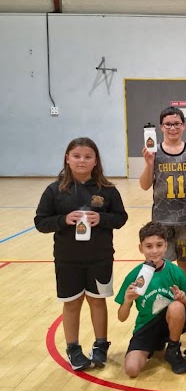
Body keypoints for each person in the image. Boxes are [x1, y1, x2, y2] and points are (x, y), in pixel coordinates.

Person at [35, 137, 128, 371]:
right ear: (67, 159)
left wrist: (102, 218)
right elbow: (40, 222)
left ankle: (101, 345)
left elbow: (121, 218)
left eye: (88, 157)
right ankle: (73, 348)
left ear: (96, 161)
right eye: (76, 156)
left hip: (100, 257)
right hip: (67, 259)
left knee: (97, 301)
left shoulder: (107, 190)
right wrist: (63, 220)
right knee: (72, 303)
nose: (81, 161)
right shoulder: (55, 190)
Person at [139, 106, 186, 326]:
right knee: (161, 264)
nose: (173, 128)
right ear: (161, 127)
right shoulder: (154, 152)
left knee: (185, 262)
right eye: (168, 124)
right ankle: (164, 304)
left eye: (177, 123)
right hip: (161, 220)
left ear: (184, 126)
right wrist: (148, 164)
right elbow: (144, 185)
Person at [116, 221, 186, 377]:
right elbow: (121, 317)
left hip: (168, 321)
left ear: (166, 246)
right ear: (141, 248)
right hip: (146, 325)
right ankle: (153, 346)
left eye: (159, 245)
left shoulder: (175, 271)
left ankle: (173, 348)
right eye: (149, 246)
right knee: (131, 369)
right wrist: (127, 301)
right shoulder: (134, 275)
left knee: (176, 307)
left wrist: (183, 299)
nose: (154, 251)